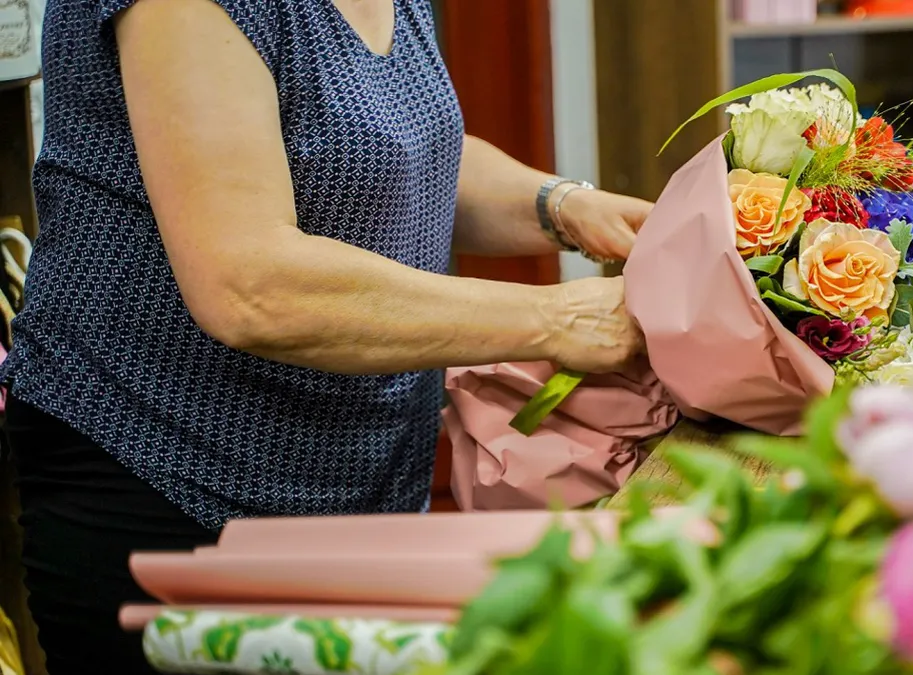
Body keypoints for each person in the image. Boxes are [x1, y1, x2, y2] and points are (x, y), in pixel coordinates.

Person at [1, 0, 650, 672]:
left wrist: (565, 205)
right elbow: (250, 286)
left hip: (357, 495)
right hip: (171, 486)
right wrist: (557, 319)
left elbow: (389, 148)